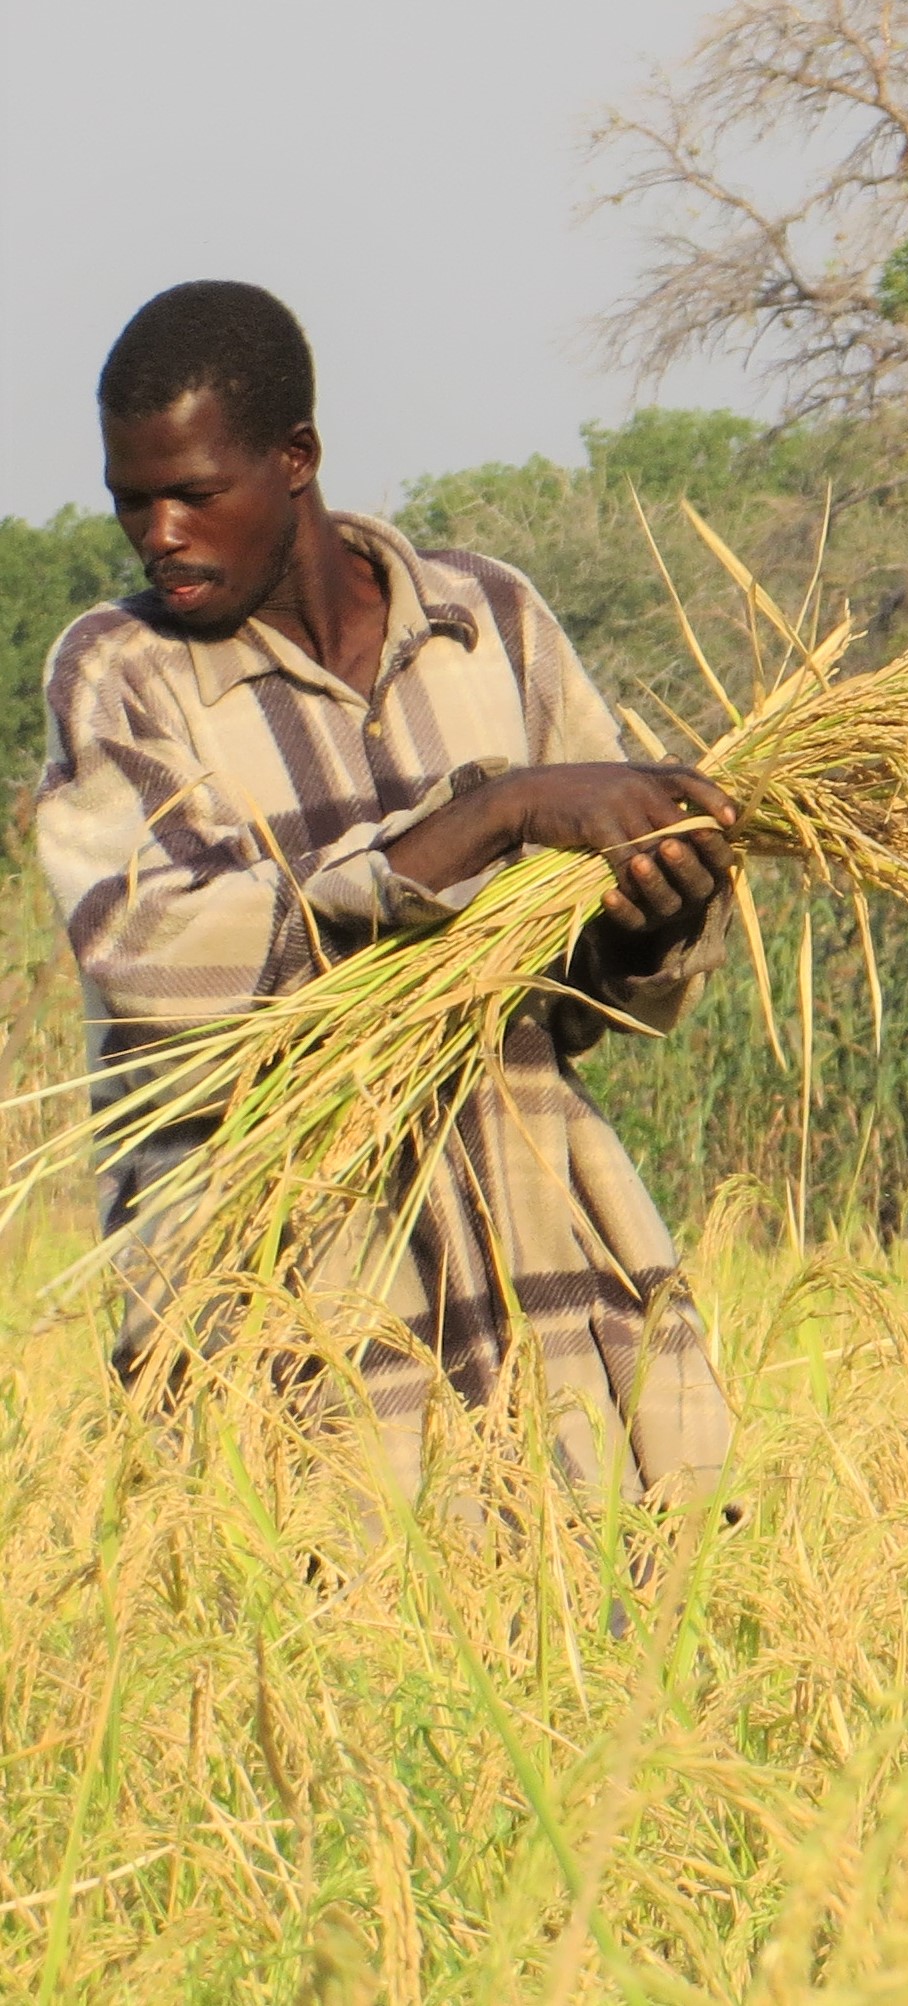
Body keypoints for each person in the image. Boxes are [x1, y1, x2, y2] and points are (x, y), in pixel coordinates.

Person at [37, 281, 743, 1506]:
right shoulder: (119, 672)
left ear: (296, 458)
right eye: (130, 498)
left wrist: (659, 914)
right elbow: (141, 946)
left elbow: (590, 995)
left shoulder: (492, 624)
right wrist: (486, 817)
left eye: (193, 492)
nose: (158, 531)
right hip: (281, 1274)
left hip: (532, 1241)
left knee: (610, 1630)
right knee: (331, 1642)